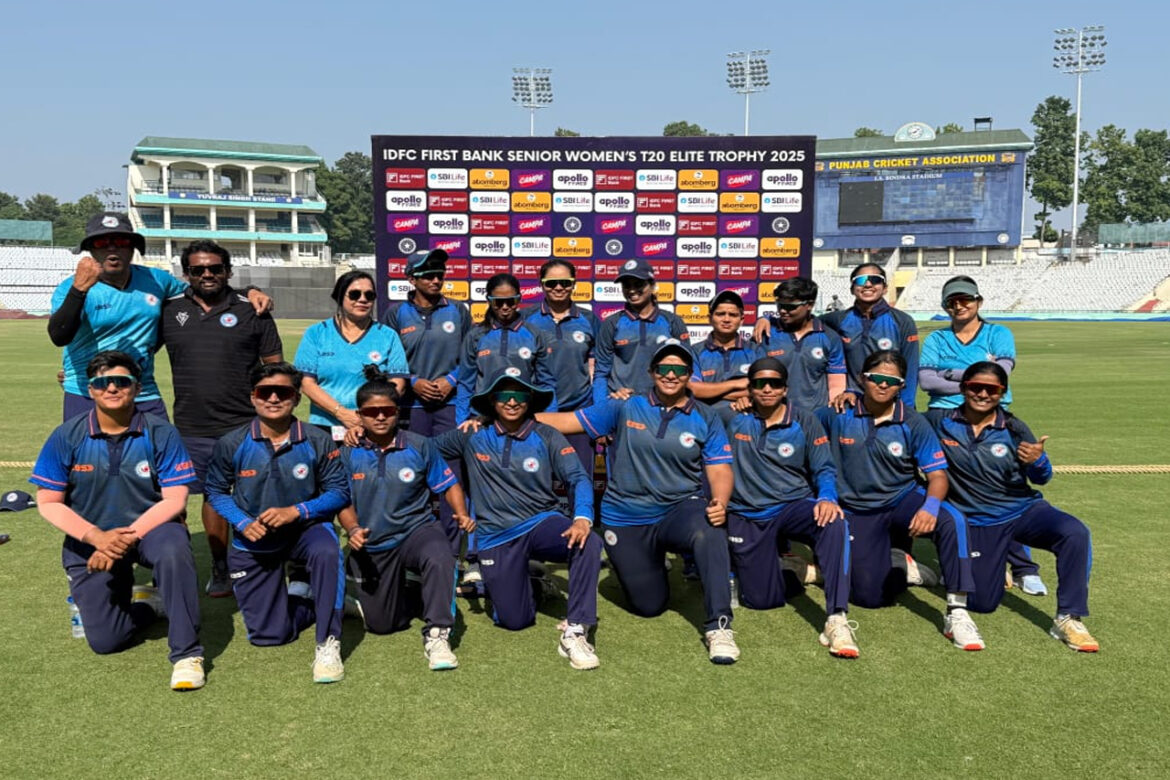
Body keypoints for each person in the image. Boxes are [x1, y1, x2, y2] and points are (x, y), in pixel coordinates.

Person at [540, 341, 740, 664]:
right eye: (664, 368)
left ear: (690, 375)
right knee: (649, 606)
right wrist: (504, 416)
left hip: (678, 508)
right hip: (625, 516)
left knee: (710, 526)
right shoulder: (625, 407)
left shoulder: (705, 416)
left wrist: (720, 501)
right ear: (652, 372)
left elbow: (719, 468)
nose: (671, 375)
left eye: (679, 370)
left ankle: (719, 625)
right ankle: (651, 561)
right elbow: (568, 421)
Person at [29, 351, 204, 690]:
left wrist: (123, 538)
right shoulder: (67, 435)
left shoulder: (161, 432)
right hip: (91, 540)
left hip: (150, 531)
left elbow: (175, 499)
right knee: (106, 641)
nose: (111, 388)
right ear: (90, 390)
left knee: (173, 547)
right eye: (102, 383)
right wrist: (97, 537)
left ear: (137, 387)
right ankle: (148, 607)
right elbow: (48, 503)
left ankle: (187, 654)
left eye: (121, 382)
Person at [815, 350, 983, 650]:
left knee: (951, 520)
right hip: (857, 508)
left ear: (901, 385)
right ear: (862, 379)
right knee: (870, 597)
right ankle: (898, 562)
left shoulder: (913, 421)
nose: (883, 385)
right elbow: (798, 422)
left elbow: (938, 476)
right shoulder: (838, 412)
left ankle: (957, 612)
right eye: (876, 378)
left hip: (901, 498)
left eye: (891, 381)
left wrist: (930, 507)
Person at [435, 367, 601, 670]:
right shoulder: (472, 434)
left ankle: (577, 629)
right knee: (514, 620)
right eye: (504, 395)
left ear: (530, 400)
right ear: (492, 401)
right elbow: (424, 450)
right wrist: (364, 435)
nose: (512, 402)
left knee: (587, 541)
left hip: (540, 522)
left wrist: (582, 518)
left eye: (520, 396)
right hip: (496, 535)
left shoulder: (546, 434)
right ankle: (534, 580)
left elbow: (578, 477)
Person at [929, 362, 1098, 651]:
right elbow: (902, 422)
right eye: (976, 387)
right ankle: (993, 563)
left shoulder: (1014, 427)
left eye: (992, 389)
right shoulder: (939, 422)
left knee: (1074, 533)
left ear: (1002, 393)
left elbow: (1042, 478)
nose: (983, 394)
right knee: (982, 603)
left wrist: (1038, 461)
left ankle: (1069, 618)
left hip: (1022, 511)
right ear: (963, 388)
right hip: (978, 522)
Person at [204, 363, 350, 683]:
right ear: (253, 397)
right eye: (265, 392)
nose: (273, 398)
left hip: (305, 531)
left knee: (327, 551)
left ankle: (328, 642)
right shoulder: (232, 442)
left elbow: (339, 492)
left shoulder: (317, 438)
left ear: (296, 398)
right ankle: (307, 597)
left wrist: (297, 511)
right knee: (269, 635)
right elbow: (215, 491)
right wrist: (242, 521)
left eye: (282, 392)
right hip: (254, 539)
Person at [47, 212, 269, 420]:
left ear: (133, 247)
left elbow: (202, 291)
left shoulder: (156, 280)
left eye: (121, 242)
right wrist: (79, 289)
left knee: (158, 447)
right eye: (101, 243)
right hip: (88, 390)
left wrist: (248, 291)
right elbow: (59, 336)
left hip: (142, 391)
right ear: (90, 249)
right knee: (86, 450)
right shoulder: (70, 287)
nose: (112, 249)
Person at [157, 240, 283, 598]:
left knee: (257, 493)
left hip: (245, 424)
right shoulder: (169, 309)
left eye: (215, 268)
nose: (207, 274)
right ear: (187, 274)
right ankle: (220, 565)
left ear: (228, 271)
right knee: (206, 497)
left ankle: (265, 561)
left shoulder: (252, 309)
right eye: (198, 269)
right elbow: (134, 348)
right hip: (191, 426)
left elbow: (275, 369)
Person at [919, 275, 1048, 597]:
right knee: (947, 486)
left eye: (966, 299)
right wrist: (976, 377)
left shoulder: (997, 333)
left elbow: (1000, 374)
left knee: (1008, 487)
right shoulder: (937, 338)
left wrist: (951, 374)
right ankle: (955, 557)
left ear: (978, 301)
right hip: (944, 417)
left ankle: (1024, 567)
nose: (959, 306)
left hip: (995, 415)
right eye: (952, 301)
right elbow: (926, 381)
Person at [338, 368, 473, 670]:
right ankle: (407, 588)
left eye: (387, 411)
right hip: (375, 541)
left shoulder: (419, 444)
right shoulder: (348, 453)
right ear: (359, 416)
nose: (380, 417)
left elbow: (449, 484)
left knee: (440, 554)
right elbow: (340, 499)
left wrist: (462, 513)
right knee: (382, 625)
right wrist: (353, 528)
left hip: (416, 531)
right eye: (372, 412)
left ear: (397, 412)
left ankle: (438, 634)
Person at [725, 358, 857, 657]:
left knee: (834, 521)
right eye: (760, 383)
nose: (767, 389)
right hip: (748, 512)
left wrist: (827, 497)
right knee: (760, 600)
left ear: (785, 388)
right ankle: (794, 568)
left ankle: (837, 618)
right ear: (750, 388)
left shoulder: (804, 420)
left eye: (774, 383)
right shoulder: (733, 417)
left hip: (792, 505)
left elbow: (824, 467)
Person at [380, 249, 472, 557]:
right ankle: (411, 550)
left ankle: (451, 554)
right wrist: (413, 380)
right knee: (409, 474)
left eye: (440, 274)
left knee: (451, 477)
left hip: (450, 406)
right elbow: (387, 360)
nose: (436, 280)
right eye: (428, 275)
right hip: (411, 407)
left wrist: (452, 380)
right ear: (411, 279)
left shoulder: (458, 311)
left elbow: (471, 357)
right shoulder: (395, 314)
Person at [295, 271, 409, 441]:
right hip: (325, 428)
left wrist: (368, 417)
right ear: (340, 296)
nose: (362, 299)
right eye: (355, 294)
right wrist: (342, 413)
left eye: (369, 295)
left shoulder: (388, 336)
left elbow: (398, 383)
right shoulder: (316, 333)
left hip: (373, 429)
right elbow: (306, 383)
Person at [521, 259, 601, 473]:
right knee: (538, 479)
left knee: (580, 476)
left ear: (574, 284)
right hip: (537, 414)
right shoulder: (525, 318)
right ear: (541, 284)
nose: (558, 287)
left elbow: (600, 368)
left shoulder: (589, 319)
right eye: (551, 283)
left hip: (578, 413)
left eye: (565, 282)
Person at [455, 273, 558, 425]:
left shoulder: (535, 334)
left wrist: (551, 422)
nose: (504, 307)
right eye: (498, 302)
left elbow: (547, 383)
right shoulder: (475, 335)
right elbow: (465, 384)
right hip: (482, 420)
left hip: (523, 418)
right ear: (489, 300)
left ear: (519, 299)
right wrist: (462, 422)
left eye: (510, 301)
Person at [592, 258, 690, 404]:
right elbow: (601, 372)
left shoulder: (673, 321)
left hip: (662, 403)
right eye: (627, 285)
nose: (632, 290)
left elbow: (687, 367)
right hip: (623, 401)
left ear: (652, 285)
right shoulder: (611, 323)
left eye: (638, 284)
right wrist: (602, 404)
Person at [754, 277, 847, 410]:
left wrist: (833, 410)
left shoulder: (830, 337)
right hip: (775, 414)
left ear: (809, 305)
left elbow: (836, 382)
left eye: (790, 307)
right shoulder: (765, 333)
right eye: (780, 305)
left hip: (816, 415)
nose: (783, 311)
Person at [688, 290, 762, 425]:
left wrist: (710, 392)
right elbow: (694, 389)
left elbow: (763, 390)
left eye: (733, 315)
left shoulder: (755, 351)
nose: (726, 319)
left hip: (744, 426)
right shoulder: (695, 352)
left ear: (742, 320)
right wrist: (736, 384)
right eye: (720, 314)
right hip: (703, 423)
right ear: (709, 318)